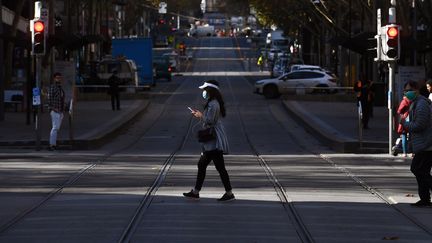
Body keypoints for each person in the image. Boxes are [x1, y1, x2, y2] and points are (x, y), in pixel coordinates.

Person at [183, 80, 234, 202]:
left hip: (214, 140)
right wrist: (201, 116)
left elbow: (210, 121)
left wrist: (200, 115)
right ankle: (197, 192)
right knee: (207, 165)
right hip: (212, 140)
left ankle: (228, 193)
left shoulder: (213, 104)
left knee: (214, 166)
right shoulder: (213, 102)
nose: (203, 92)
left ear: (211, 91)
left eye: (205, 90)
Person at [400, 80, 432, 207]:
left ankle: (425, 198)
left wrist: (404, 124)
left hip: (427, 145)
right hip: (423, 144)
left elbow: (420, 125)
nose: (406, 93)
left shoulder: (421, 105)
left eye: (408, 90)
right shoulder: (416, 103)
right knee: (421, 170)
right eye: (405, 91)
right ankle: (424, 199)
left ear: (416, 90)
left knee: (418, 169)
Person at [47, 72, 66, 151]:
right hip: (55, 110)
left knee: (57, 128)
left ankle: (53, 143)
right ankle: (51, 145)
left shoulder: (60, 87)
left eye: (60, 77)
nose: (59, 79)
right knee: (55, 127)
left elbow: (61, 99)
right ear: (54, 78)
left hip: (60, 110)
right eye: (57, 78)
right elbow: (49, 99)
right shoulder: (53, 87)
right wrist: (53, 108)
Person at [392, 91, 412, 157]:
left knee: (404, 136)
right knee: (412, 136)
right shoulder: (413, 101)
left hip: (405, 118)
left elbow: (399, 110)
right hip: (412, 118)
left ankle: (405, 152)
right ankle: (412, 152)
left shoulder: (404, 101)